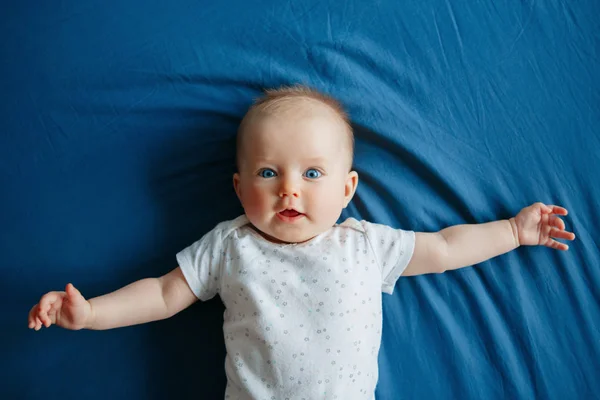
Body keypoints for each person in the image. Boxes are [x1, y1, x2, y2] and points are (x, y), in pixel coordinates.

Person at [28, 86, 575, 399]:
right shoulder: (231, 245)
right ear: (239, 188)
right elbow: (165, 294)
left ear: (347, 189)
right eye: (269, 172)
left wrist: (513, 231)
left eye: (312, 174)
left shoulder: (365, 245)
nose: (289, 188)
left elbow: (447, 248)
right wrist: (92, 312)